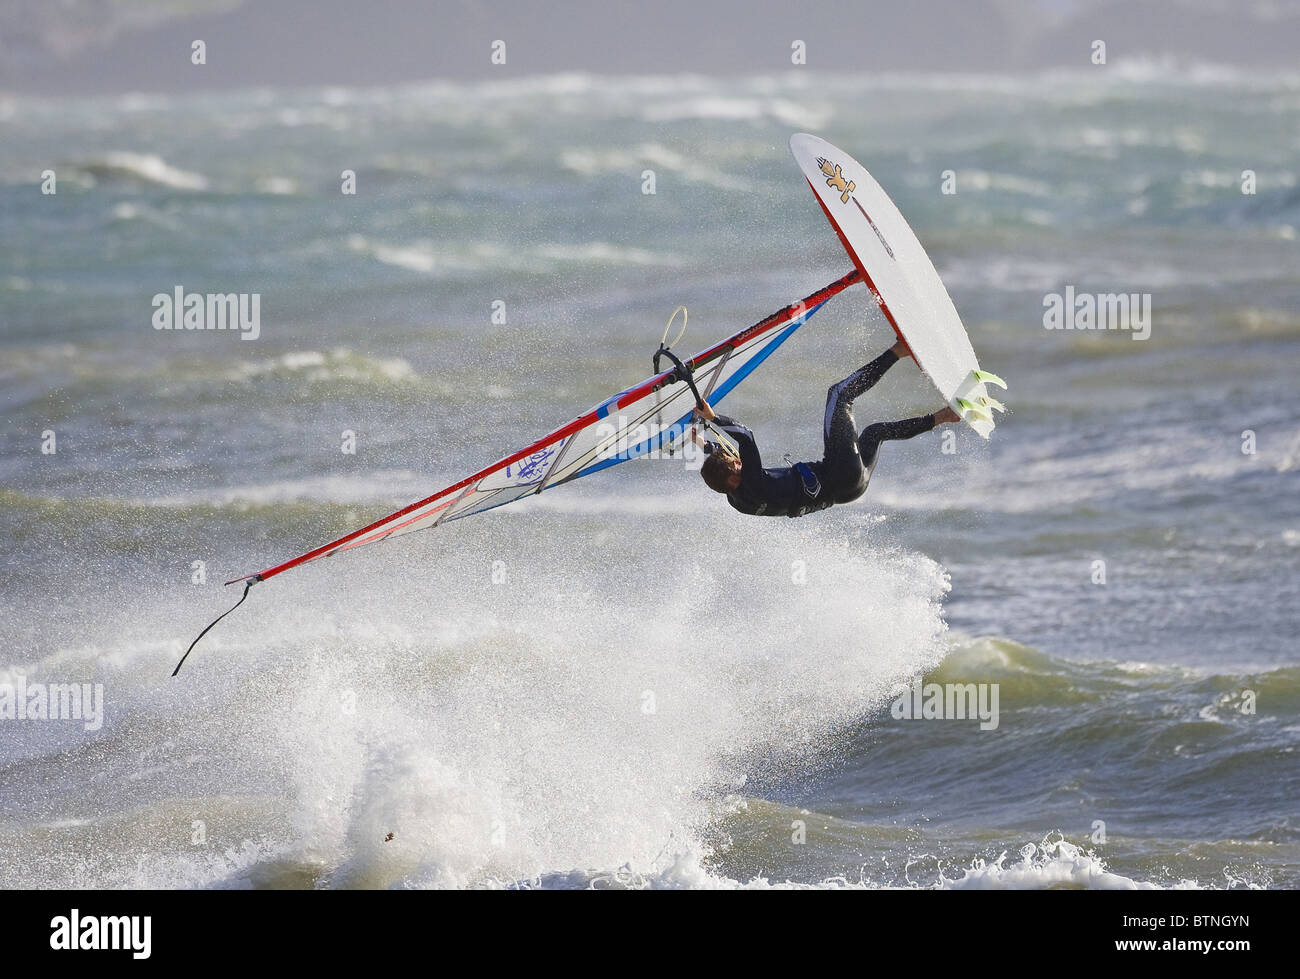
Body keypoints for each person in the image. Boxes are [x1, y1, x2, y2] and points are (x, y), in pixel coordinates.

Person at [691, 339, 961, 517]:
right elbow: (746, 438)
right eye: (736, 466)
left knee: (875, 433)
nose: (739, 463)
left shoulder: (738, 501)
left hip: (852, 489)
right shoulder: (748, 479)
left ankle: (944, 417)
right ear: (734, 477)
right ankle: (899, 351)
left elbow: (726, 468)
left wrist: (704, 445)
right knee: (839, 395)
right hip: (840, 472)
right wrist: (715, 419)